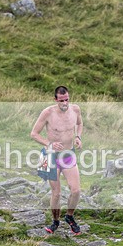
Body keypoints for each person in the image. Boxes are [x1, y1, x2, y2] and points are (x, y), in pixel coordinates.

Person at [30, 86, 83, 235]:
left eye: (67, 100)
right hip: (50, 155)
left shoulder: (76, 109)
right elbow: (34, 134)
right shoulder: (47, 113)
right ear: (55, 100)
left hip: (68, 154)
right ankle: (55, 221)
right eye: (61, 101)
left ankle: (69, 216)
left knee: (76, 190)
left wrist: (78, 137)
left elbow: (79, 124)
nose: (65, 103)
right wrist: (50, 144)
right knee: (56, 193)